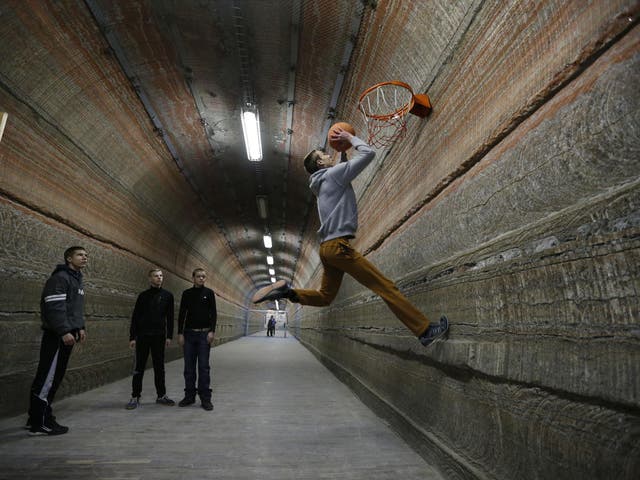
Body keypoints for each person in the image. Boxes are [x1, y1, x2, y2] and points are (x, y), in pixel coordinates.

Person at [252, 128, 449, 347]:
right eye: (324, 155)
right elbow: (368, 154)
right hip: (338, 247)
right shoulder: (334, 175)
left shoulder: (321, 183)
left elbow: (341, 178)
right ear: (320, 164)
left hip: (327, 249)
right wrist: (350, 139)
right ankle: (424, 330)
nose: (329, 155)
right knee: (384, 286)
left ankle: (288, 292)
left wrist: (343, 155)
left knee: (325, 296)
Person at [26, 246, 88, 436]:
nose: (85, 257)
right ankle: (41, 422)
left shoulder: (76, 280)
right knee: (48, 379)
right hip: (56, 336)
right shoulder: (60, 278)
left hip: (67, 334)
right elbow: (54, 306)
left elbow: (73, 309)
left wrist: (80, 327)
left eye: (86, 255)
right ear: (69, 258)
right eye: (80, 255)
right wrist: (64, 330)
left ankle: (35, 417)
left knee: (53, 376)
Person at [125, 268, 175, 410]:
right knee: (139, 367)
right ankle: (135, 396)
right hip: (143, 336)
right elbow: (135, 317)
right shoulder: (143, 296)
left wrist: (169, 336)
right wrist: (132, 336)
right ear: (150, 278)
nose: (159, 278)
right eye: (156, 276)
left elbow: (170, 317)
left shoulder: (167, 296)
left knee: (159, 367)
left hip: (159, 336)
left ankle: (161, 395)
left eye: (161, 276)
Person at [177, 268, 217, 411]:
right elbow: (182, 314)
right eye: (198, 276)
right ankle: (189, 396)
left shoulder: (209, 293)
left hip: (204, 334)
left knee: (204, 367)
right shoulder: (186, 294)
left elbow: (213, 313)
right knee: (189, 368)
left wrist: (212, 331)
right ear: (193, 278)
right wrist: (180, 333)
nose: (201, 279)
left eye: (203, 277)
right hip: (189, 335)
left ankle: (205, 398)